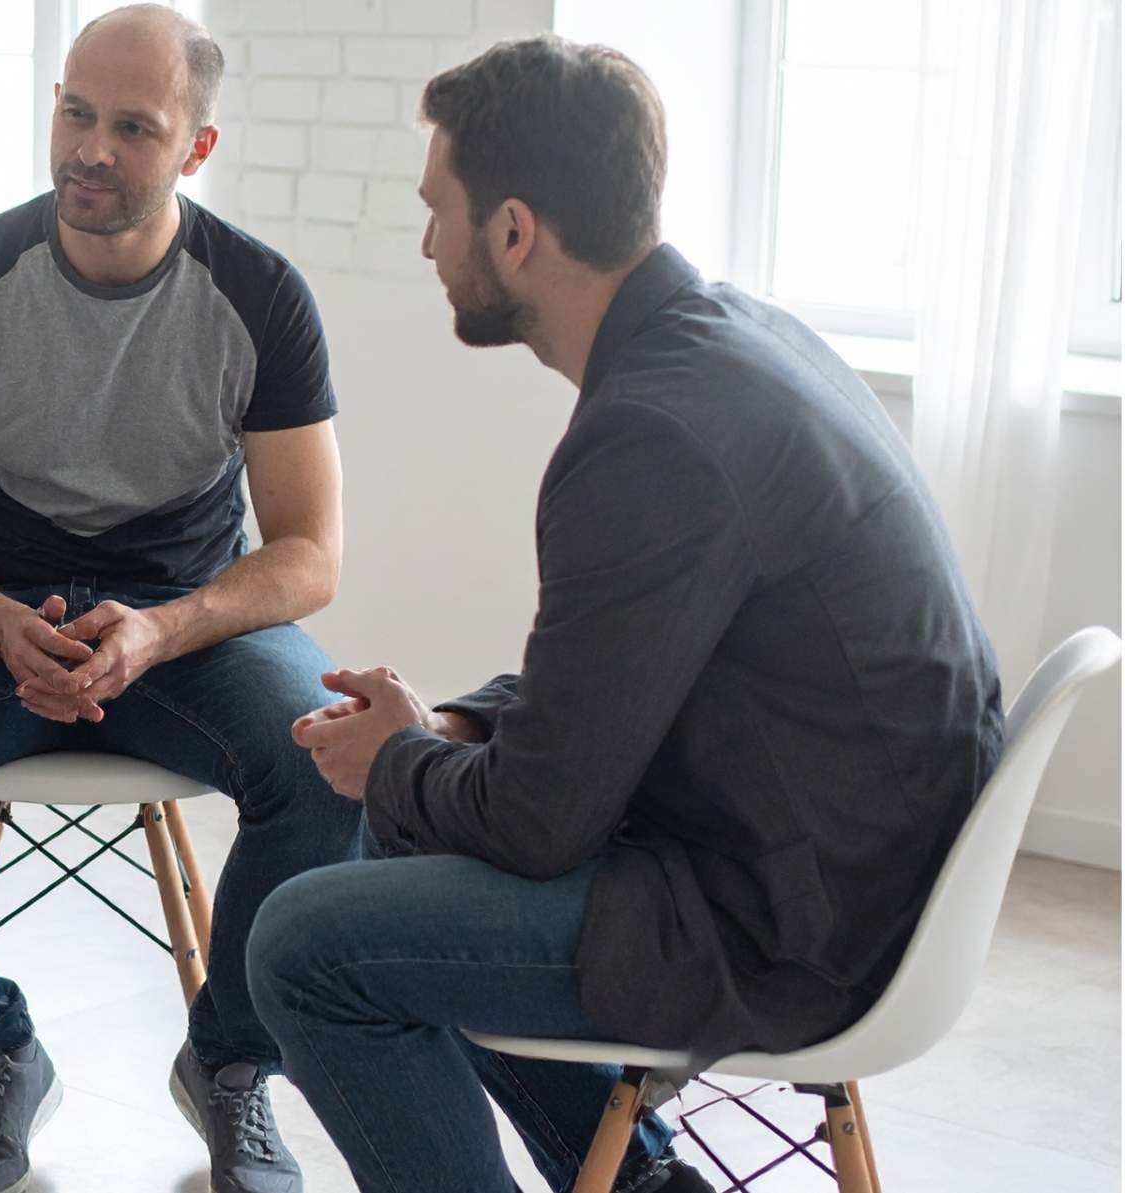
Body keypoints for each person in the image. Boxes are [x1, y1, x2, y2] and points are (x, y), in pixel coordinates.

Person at [247, 36, 1003, 1193]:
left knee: (302, 947)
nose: (427, 243)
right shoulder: (727, 339)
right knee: (402, 817)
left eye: (437, 211)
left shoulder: (651, 435)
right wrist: (444, 729)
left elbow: (540, 822)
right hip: (838, 855)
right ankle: (642, 1183)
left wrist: (394, 758)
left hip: (793, 921)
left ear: (514, 231)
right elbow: (618, 677)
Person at [0, 6, 358, 1191]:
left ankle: (232, 1064)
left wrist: (164, 626)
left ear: (196, 150)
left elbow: (310, 551)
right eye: (75, 112)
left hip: (183, 617)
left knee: (333, 763)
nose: (91, 149)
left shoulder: (260, 294)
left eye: (133, 127)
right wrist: (0, 620)